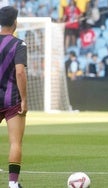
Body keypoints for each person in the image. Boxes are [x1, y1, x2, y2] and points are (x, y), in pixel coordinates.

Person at [0, 6, 27, 188]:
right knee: (15, 142)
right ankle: (12, 184)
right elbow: (20, 73)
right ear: (15, 22)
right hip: (11, 100)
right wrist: (24, 98)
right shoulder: (19, 44)